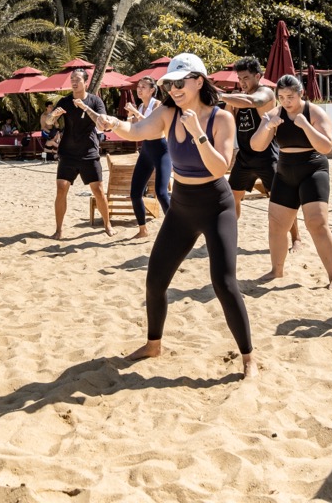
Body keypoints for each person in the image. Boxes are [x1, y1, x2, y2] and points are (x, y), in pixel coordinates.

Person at [92, 53, 256, 378]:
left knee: (224, 283)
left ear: (198, 81)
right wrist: (113, 124)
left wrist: (198, 132)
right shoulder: (167, 112)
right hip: (182, 207)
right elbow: (137, 130)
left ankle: (248, 357)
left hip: (215, 206)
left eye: (181, 82)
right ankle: (154, 344)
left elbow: (220, 167)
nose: (175, 89)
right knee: (155, 281)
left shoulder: (222, 119)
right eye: (171, 83)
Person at [249, 74, 332, 290]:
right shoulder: (276, 113)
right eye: (281, 97)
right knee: (276, 224)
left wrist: (305, 126)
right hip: (285, 170)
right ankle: (277, 270)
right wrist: (267, 126)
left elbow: (326, 147)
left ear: (301, 93)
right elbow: (256, 145)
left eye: (290, 96)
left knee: (316, 224)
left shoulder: (314, 112)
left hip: (313, 169)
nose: (286, 101)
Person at [220, 57, 301, 249]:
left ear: (258, 76)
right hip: (245, 157)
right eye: (240, 78)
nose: (242, 82)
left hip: (267, 156)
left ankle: (296, 238)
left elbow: (254, 101)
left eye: (246, 77)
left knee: (282, 200)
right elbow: (228, 121)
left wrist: (220, 96)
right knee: (233, 198)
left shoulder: (265, 92)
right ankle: (229, 234)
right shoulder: (237, 98)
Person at [41, 68, 113, 239]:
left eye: (77, 79)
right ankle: (58, 230)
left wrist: (85, 107)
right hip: (68, 152)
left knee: (98, 190)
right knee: (61, 188)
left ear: (85, 82)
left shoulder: (95, 101)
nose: (73, 81)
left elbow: (103, 123)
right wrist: (53, 116)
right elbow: (49, 122)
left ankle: (107, 224)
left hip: (89, 151)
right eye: (72, 78)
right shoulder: (65, 101)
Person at [126, 76, 171, 239]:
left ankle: (176, 229)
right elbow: (136, 129)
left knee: (161, 193)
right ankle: (143, 229)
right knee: (135, 193)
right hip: (146, 150)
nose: (139, 89)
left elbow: (152, 126)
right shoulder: (139, 106)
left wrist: (135, 113)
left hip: (161, 150)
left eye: (143, 86)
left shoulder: (158, 105)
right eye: (138, 86)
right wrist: (130, 118)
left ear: (152, 90)